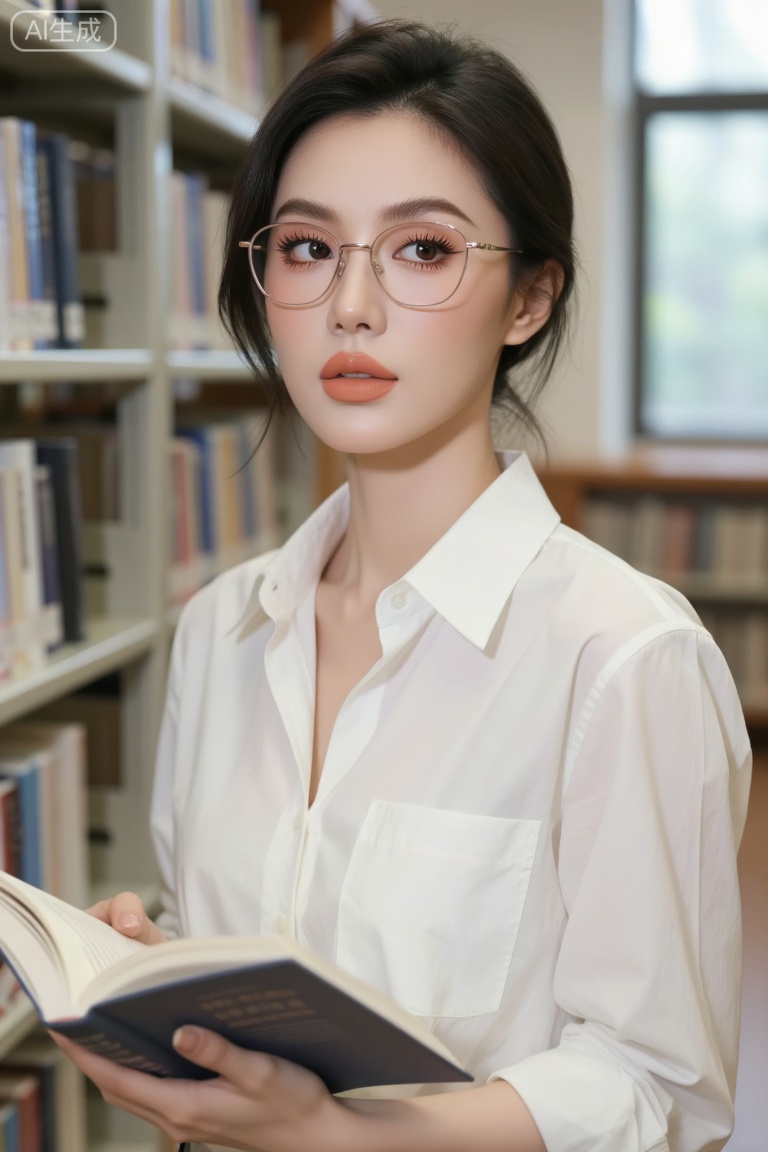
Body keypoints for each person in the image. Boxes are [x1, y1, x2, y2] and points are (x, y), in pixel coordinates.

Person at [55, 19, 752, 1152]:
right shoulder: (222, 627)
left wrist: (336, 1137)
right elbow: (242, 937)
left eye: (423, 250)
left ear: (528, 299)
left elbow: (660, 1092)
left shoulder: (622, 657)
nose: (351, 307)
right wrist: (154, 978)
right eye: (308, 247)